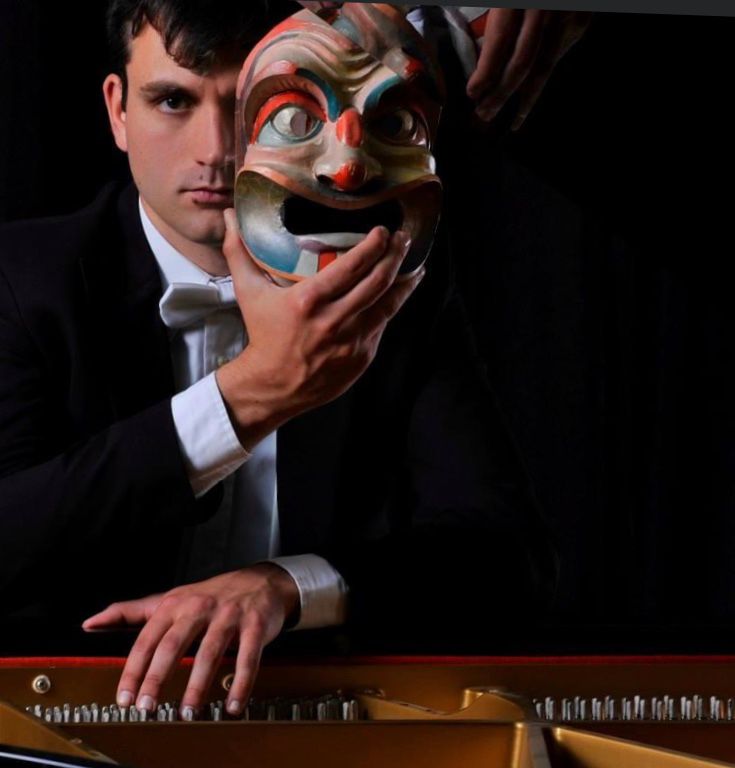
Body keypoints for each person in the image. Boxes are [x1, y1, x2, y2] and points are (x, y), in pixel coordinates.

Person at [0, 0, 555, 720]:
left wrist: (290, 586)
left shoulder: (386, 287)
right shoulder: (21, 280)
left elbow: (509, 559)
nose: (215, 150)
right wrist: (251, 395)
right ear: (117, 111)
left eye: (251, 107)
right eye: (173, 101)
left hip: (313, 737)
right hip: (61, 742)